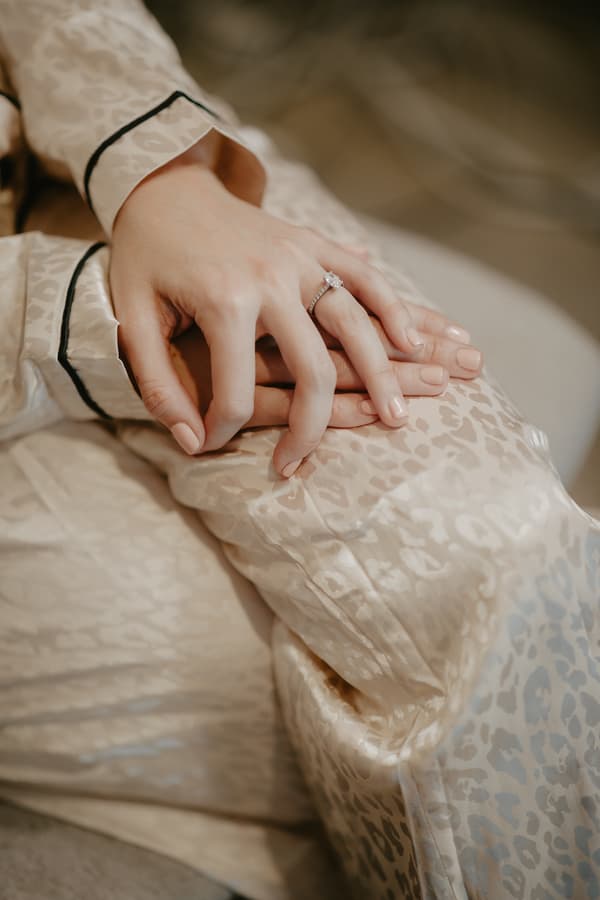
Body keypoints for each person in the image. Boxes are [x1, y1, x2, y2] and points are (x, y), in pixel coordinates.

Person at [0, 2, 598, 898]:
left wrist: (165, 177)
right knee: (366, 686)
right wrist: (97, 321)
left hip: (92, 143)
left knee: (504, 557)